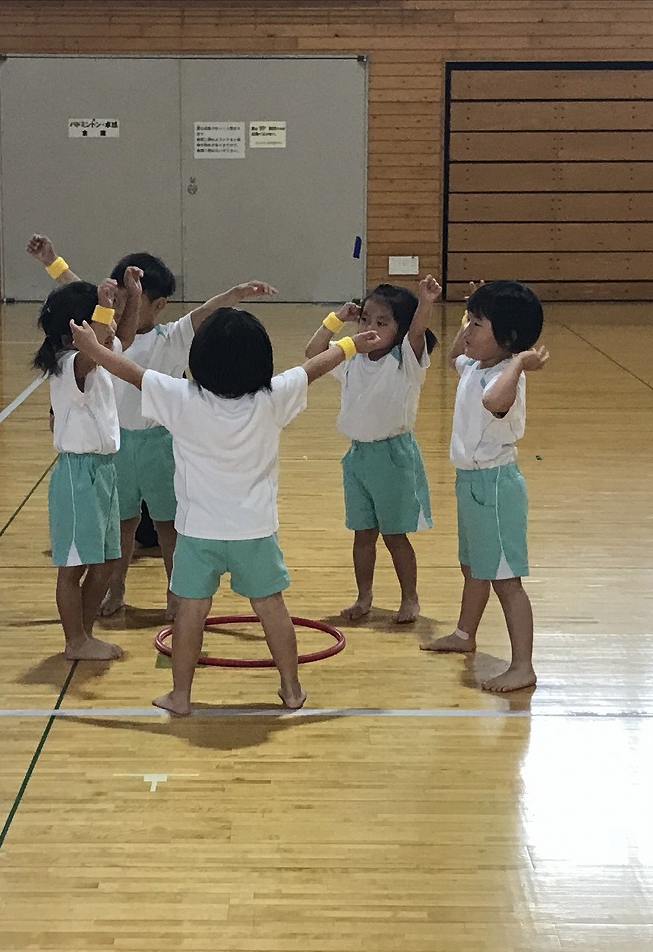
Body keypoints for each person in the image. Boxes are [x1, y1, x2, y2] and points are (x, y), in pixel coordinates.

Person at [71, 306, 383, 716]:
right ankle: (291, 689)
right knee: (271, 608)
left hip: (198, 533)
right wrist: (352, 344)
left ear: (199, 359)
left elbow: (132, 373)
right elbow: (313, 368)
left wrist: (94, 348)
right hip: (255, 532)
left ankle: (180, 695)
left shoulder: (181, 398)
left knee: (191, 612)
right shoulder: (272, 398)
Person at [27, 235, 274, 621]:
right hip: (117, 447)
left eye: (133, 299)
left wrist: (237, 293)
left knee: (168, 525)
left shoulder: (171, 336)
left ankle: (176, 594)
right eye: (117, 299)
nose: (121, 304)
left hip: (160, 445)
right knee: (122, 526)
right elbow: (75, 291)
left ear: (157, 305)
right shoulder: (105, 339)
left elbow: (208, 311)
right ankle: (116, 588)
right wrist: (52, 261)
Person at [419, 280, 549, 694]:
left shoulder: (505, 379)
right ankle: (464, 633)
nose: (467, 331)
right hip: (471, 483)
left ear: (507, 339)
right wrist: (470, 316)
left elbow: (494, 402)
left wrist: (520, 361)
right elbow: (454, 355)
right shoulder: (476, 367)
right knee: (473, 566)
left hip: (495, 489)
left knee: (506, 581)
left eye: (477, 324)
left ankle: (523, 666)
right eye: (469, 321)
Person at [304, 277, 440, 624]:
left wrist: (425, 302)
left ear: (400, 329)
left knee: (395, 536)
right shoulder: (352, 357)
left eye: (382, 323)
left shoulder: (406, 360)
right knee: (362, 534)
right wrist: (336, 319)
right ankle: (364, 596)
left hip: (393, 458)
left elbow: (417, 331)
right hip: (357, 458)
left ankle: (410, 599)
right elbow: (314, 352)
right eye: (365, 319)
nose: (370, 329)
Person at [31, 266, 141, 661]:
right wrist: (106, 306)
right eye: (99, 318)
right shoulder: (69, 366)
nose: (109, 327)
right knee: (73, 567)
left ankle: (85, 635)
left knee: (107, 561)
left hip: (103, 472)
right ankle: (74, 640)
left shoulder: (95, 356)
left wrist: (132, 296)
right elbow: (97, 347)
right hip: (78, 476)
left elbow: (123, 338)